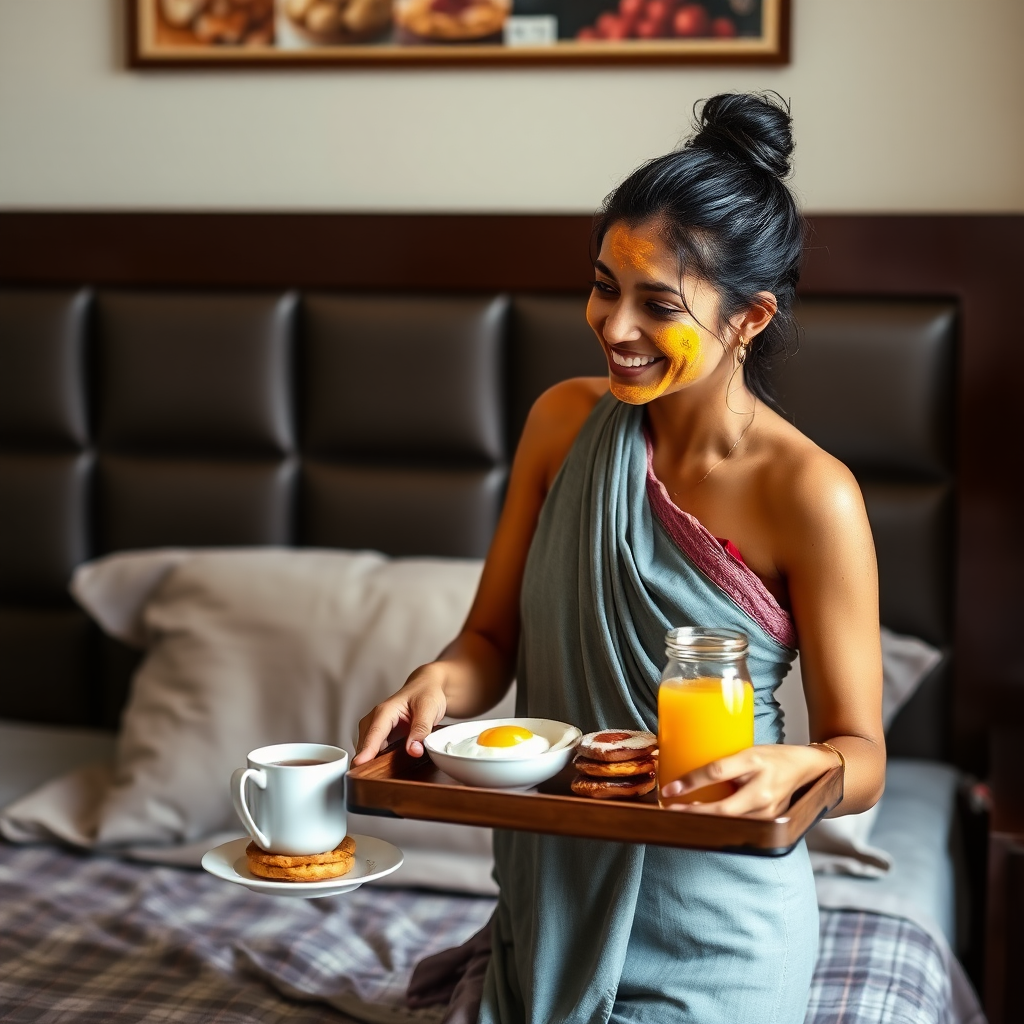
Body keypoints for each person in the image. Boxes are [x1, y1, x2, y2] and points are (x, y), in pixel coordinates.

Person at [353, 92, 885, 1024]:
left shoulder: (812, 495)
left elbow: (862, 755)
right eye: (604, 284)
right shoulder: (563, 423)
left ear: (750, 319)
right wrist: (435, 682)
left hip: (715, 925)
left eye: (659, 304)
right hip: (546, 898)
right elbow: (489, 638)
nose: (615, 327)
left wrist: (795, 767)